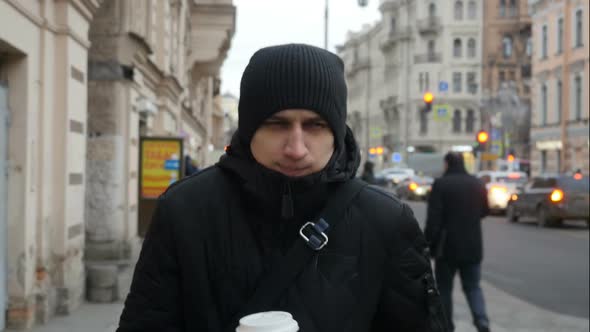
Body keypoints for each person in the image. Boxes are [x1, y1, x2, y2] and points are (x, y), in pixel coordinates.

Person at [117, 44, 446, 331]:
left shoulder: (385, 221)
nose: (297, 148)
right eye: (277, 124)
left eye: (315, 125)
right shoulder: (185, 210)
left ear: (336, 130)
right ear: (249, 128)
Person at [424, 152, 491, 332]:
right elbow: (485, 210)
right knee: (473, 287)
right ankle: (482, 322)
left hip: (446, 248)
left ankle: (447, 326)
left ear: (447, 164)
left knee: (444, 289)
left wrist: (427, 243)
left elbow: (434, 220)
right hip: (472, 246)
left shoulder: (441, 184)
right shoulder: (477, 184)